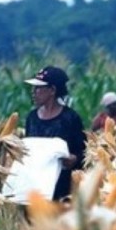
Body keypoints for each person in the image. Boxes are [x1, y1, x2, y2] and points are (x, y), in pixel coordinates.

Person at [23, 66, 86, 201]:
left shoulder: (70, 118)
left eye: (39, 88)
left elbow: (84, 152)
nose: (34, 92)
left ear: (52, 90)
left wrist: (74, 159)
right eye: (34, 88)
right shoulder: (32, 118)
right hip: (35, 186)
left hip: (62, 187)